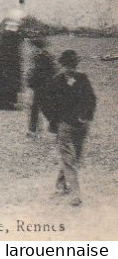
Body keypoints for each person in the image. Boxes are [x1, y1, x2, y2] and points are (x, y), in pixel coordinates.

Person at [44, 49, 97, 206]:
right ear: (62, 65)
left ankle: (61, 183)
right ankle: (75, 194)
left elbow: (92, 100)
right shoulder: (56, 82)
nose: (70, 69)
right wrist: (55, 120)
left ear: (76, 65)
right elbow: (46, 103)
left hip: (81, 126)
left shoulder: (83, 79)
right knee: (69, 159)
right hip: (65, 126)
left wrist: (85, 116)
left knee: (76, 157)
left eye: (73, 65)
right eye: (67, 65)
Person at [0, 10, 25, 110]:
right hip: (10, 63)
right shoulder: (15, 37)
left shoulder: (5, 36)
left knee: (3, 81)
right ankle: (8, 101)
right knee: (9, 82)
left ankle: (2, 101)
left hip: (3, 63)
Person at [26, 37, 57, 137]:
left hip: (44, 86)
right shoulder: (37, 57)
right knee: (36, 108)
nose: (32, 49)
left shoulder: (45, 57)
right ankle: (32, 131)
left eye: (34, 47)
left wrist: (32, 80)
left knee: (45, 108)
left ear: (39, 48)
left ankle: (55, 127)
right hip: (39, 86)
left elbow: (47, 72)